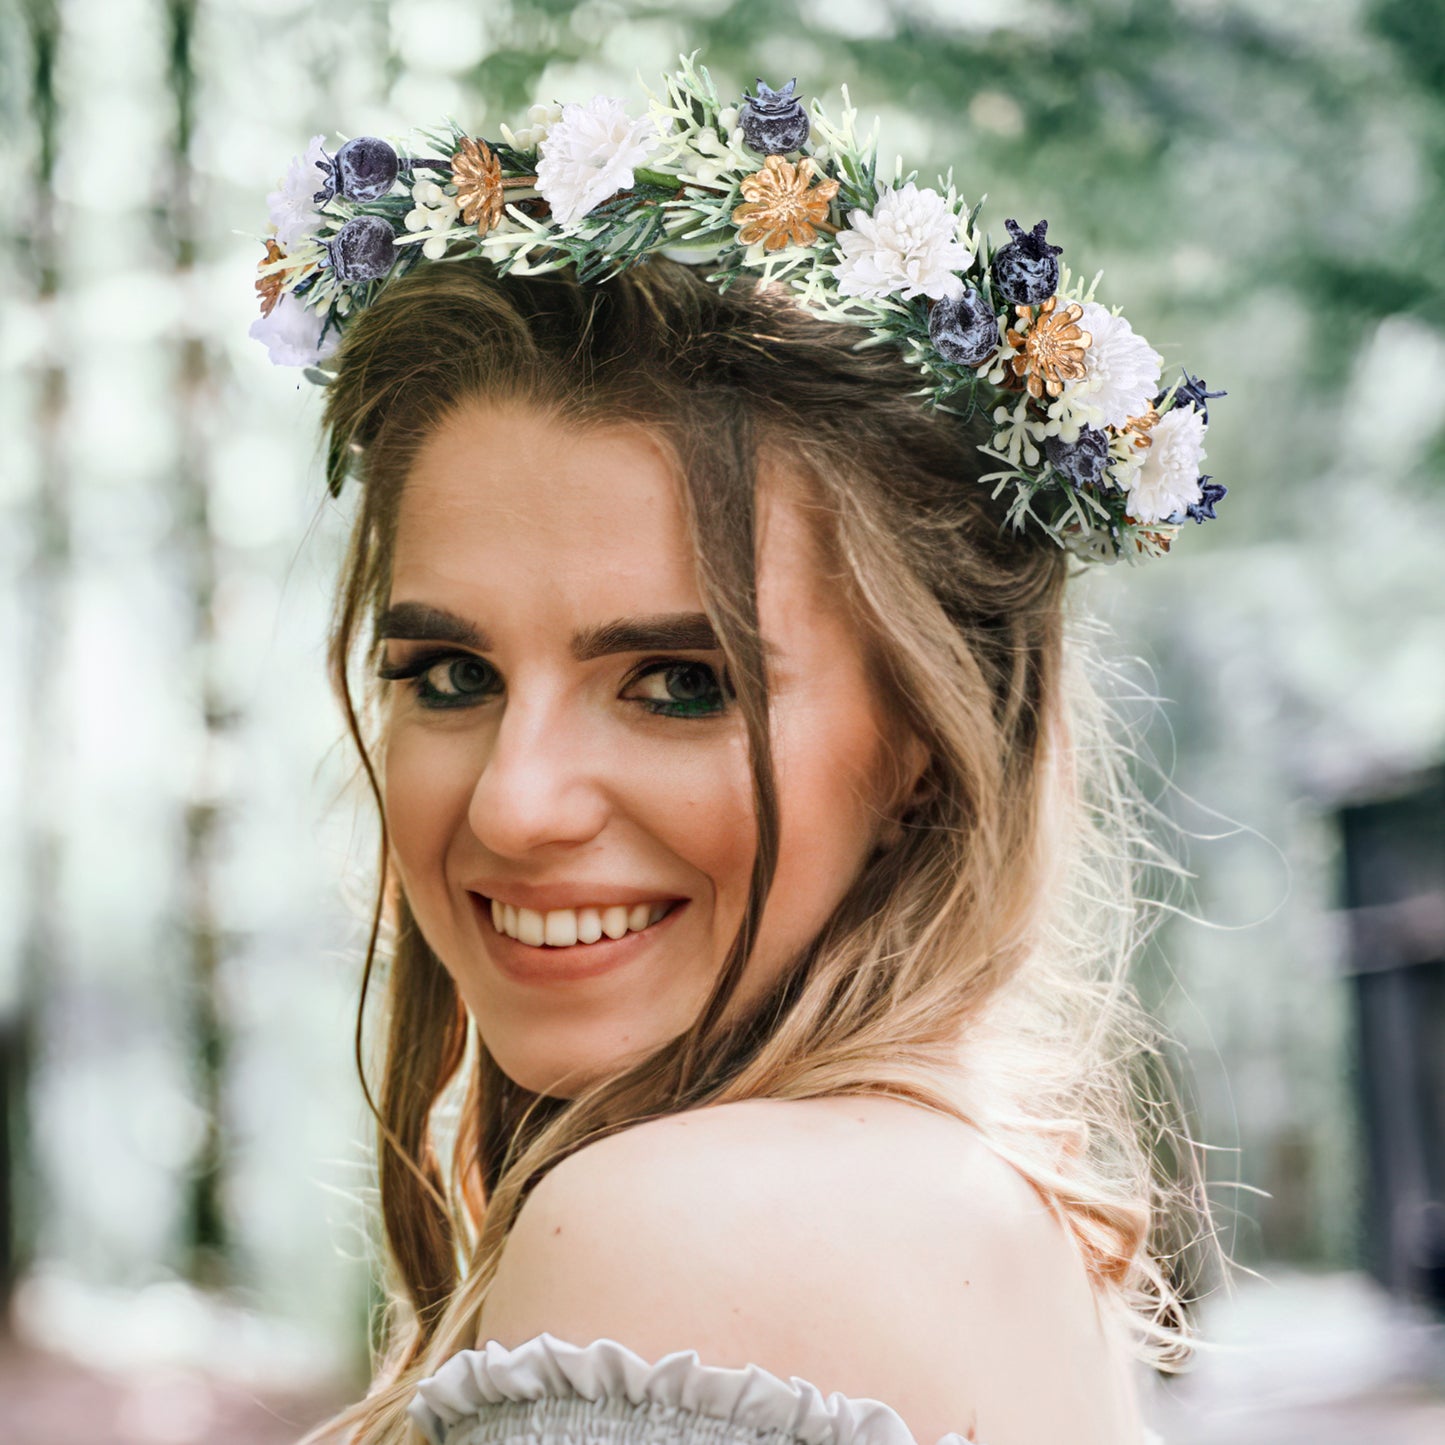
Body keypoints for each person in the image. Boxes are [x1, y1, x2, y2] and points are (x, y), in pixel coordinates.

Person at [258, 63, 1224, 1445]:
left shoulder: (675, 1238)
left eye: (674, 681)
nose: (517, 802)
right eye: (451, 673)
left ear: (926, 743)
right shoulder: (962, 1203)